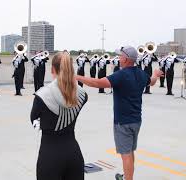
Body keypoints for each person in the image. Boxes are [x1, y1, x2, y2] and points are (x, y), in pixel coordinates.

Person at [76, 45, 162, 180]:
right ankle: (127, 176)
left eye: (121, 56)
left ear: (126, 59)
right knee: (130, 152)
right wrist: (155, 74)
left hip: (123, 123)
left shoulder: (121, 75)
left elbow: (97, 83)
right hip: (136, 121)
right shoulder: (141, 73)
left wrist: (76, 77)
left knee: (126, 155)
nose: (119, 58)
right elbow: (152, 82)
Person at [30, 52, 88, 180]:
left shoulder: (41, 96)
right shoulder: (83, 94)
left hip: (49, 155)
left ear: (52, 69)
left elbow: (33, 119)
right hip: (74, 154)